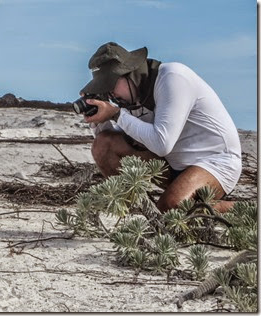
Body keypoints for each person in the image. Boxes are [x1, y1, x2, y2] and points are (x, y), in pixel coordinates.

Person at [78, 42, 241, 213]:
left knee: (171, 207)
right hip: (173, 164)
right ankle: (141, 213)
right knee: (103, 144)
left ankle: (244, 210)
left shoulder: (173, 77)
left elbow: (162, 144)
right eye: (104, 89)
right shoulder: (130, 97)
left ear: (130, 74)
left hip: (216, 163)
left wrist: (116, 114)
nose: (110, 94)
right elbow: (118, 141)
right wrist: (98, 119)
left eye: (110, 85)